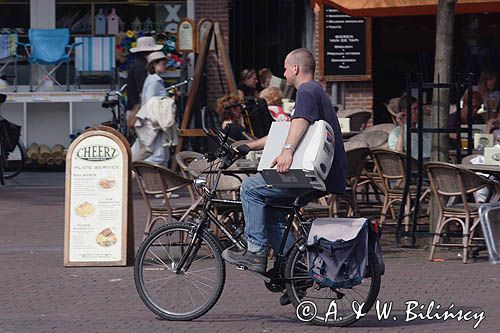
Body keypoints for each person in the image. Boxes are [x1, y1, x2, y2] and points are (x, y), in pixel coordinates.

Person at [222, 48, 347, 276]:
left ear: (296, 68)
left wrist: (287, 152)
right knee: (274, 212)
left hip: (314, 176)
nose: (284, 72)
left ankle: (256, 252)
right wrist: (247, 146)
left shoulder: (307, 90)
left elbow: (299, 123)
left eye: (286, 68)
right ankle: (296, 271)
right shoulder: (315, 91)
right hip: (326, 175)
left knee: (250, 189)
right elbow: (289, 130)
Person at [131, 51, 171, 165]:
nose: (165, 66)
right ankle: (138, 172)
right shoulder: (154, 81)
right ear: (155, 65)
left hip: (149, 120)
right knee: (159, 155)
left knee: (141, 149)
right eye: (163, 64)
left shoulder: (153, 79)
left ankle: (128, 168)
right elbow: (150, 101)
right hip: (153, 121)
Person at [126, 36, 163, 127]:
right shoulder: (141, 66)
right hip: (139, 110)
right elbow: (142, 89)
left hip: (138, 108)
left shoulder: (139, 64)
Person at [388, 94, 432, 161]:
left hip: (431, 163)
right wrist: (402, 128)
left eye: (418, 108)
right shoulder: (396, 133)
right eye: (414, 108)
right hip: (412, 165)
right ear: (404, 112)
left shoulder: (427, 125)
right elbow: (398, 155)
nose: (418, 112)